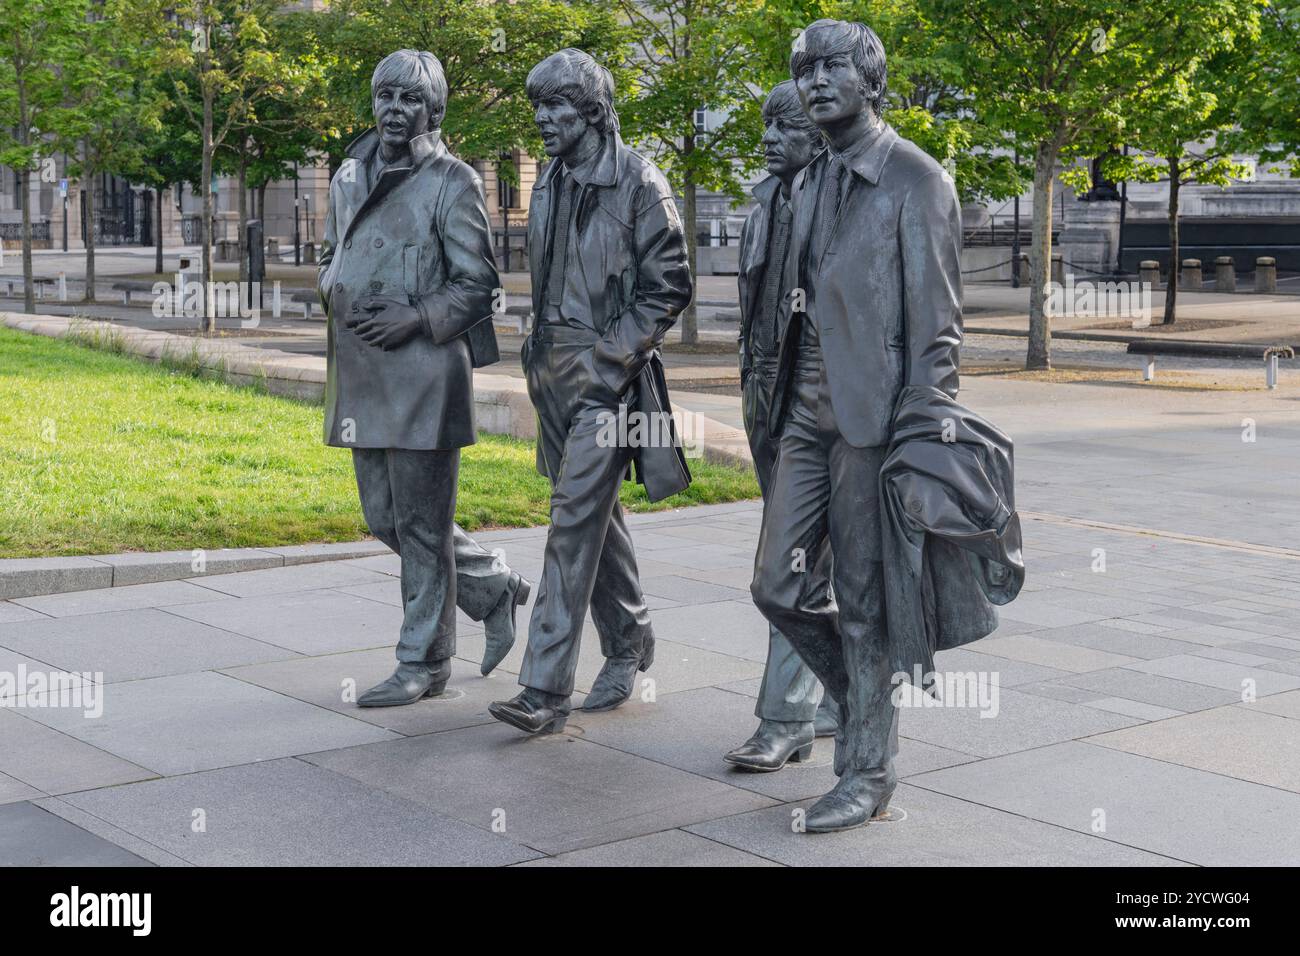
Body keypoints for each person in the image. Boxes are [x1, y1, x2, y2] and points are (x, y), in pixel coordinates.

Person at [751, 20, 1021, 831]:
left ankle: (869, 767)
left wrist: (920, 434)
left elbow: (938, 329)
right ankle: (863, 697)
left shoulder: (917, 180)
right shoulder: (808, 181)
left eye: (833, 68)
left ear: (871, 81)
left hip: (875, 424)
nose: (815, 82)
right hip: (803, 417)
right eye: (805, 70)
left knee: (866, 603)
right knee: (777, 586)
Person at [489, 49, 692, 735]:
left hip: (611, 378)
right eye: (538, 107)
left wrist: (612, 360)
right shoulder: (547, 180)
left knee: (571, 524)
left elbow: (670, 284)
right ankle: (632, 639)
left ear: (593, 110)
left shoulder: (639, 181)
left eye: (557, 108)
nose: (543, 120)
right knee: (593, 518)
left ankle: (544, 689)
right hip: (551, 371)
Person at [318, 49, 529, 708]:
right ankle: (493, 588)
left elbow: (478, 286)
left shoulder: (453, 181)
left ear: (433, 110)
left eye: (410, 100)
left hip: (424, 374)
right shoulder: (349, 173)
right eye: (386, 96)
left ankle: (424, 661)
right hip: (360, 370)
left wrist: (414, 316)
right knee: (385, 517)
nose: (394, 110)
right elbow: (334, 252)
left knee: (421, 526)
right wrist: (333, 286)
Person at [724, 80, 840, 773]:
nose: (768, 139)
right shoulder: (768, 199)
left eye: (784, 127)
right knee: (808, 563)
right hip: (768, 397)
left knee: (789, 570)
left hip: (826, 407)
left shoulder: (844, 198)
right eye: (764, 125)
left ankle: (786, 718)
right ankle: (839, 688)